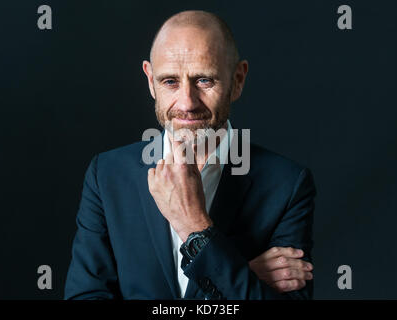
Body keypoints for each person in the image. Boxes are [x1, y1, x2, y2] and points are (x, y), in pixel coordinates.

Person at [64, 10, 316, 300]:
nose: (187, 102)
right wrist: (236, 278)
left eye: (204, 81)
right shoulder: (106, 175)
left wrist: (194, 224)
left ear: (237, 79)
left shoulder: (288, 184)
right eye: (170, 81)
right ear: (150, 81)